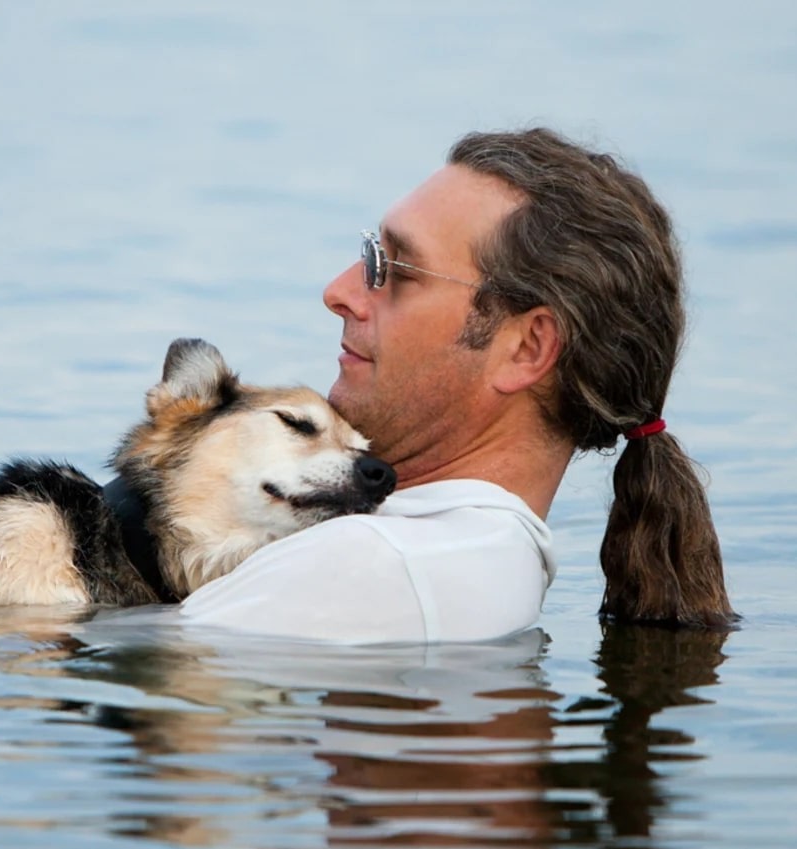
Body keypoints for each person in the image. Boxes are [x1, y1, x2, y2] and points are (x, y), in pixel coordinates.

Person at [179, 127, 736, 643]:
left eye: (396, 271)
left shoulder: (378, 564)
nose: (339, 291)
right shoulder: (468, 556)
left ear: (527, 349)